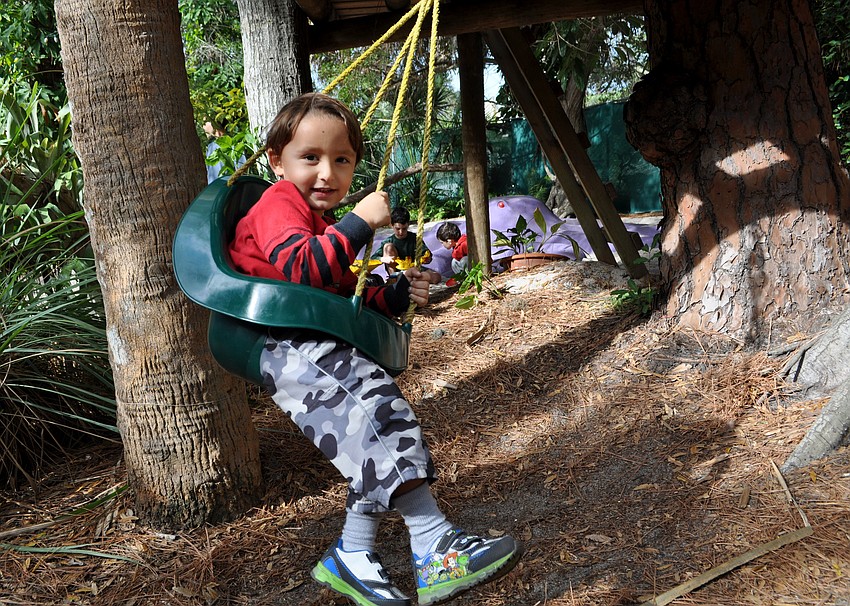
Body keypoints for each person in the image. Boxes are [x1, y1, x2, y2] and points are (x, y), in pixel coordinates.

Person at [228, 93, 522, 606]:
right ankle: (435, 546)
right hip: (279, 339)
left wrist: (399, 292)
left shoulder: (321, 224)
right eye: (310, 157)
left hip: (310, 337)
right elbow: (304, 268)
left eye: (342, 160)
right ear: (276, 161)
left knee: (366, 431)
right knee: (377, 417)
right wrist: (360, 221)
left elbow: (347, 294)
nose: (327, 173)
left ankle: (353, 553)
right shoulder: (278, 203)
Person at [374, 206, 433, 279]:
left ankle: (410, 279)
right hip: (397, 272)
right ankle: (394, 279)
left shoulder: (414, 238)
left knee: (436, 277)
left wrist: (427, 259)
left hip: (413, 269)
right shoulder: (389, 241)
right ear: (392, 225)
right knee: (388, 247)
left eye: (404, 229)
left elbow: (428, 255)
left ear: (408, 224)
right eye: (398, 229)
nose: (401, 232)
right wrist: (383, 259)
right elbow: (373, 258)